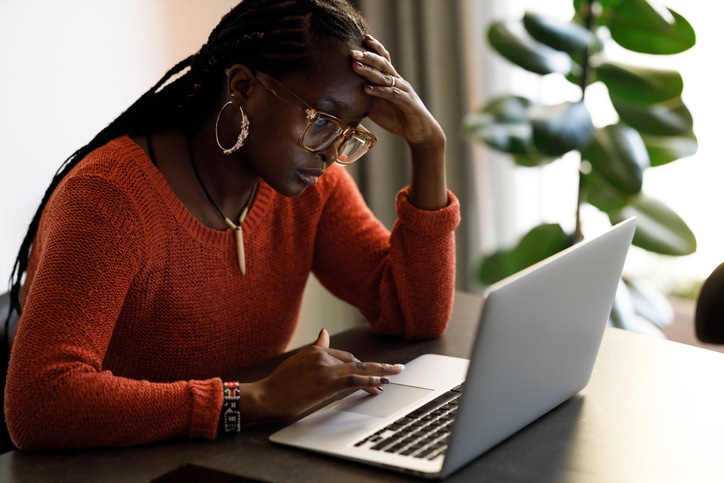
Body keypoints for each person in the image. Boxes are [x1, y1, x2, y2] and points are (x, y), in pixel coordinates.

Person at [4, 0, 459, 450]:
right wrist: (253, 401)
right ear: (243, 87)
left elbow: (411, 314)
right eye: (321, 119)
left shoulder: (311, 187)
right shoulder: (110, 199)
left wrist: (428, 147)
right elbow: (40, 403)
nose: (330, 151)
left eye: (350, 131)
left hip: (234, 456)